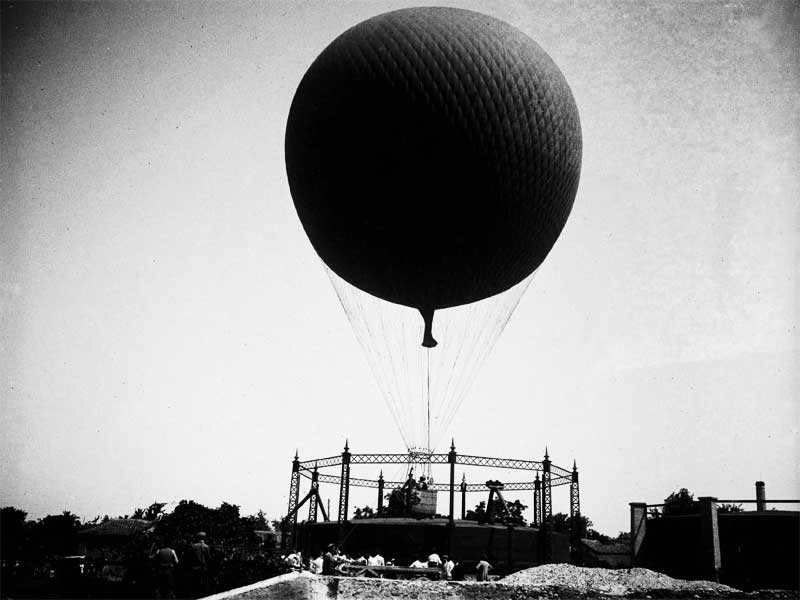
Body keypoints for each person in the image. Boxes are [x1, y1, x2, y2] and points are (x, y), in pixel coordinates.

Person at [190, 532, 211, 596]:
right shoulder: (206, 546)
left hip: (195, 568)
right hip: (203, 568)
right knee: (204, 584)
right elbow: (209, 558)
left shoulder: (193, 546)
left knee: (196, 584)